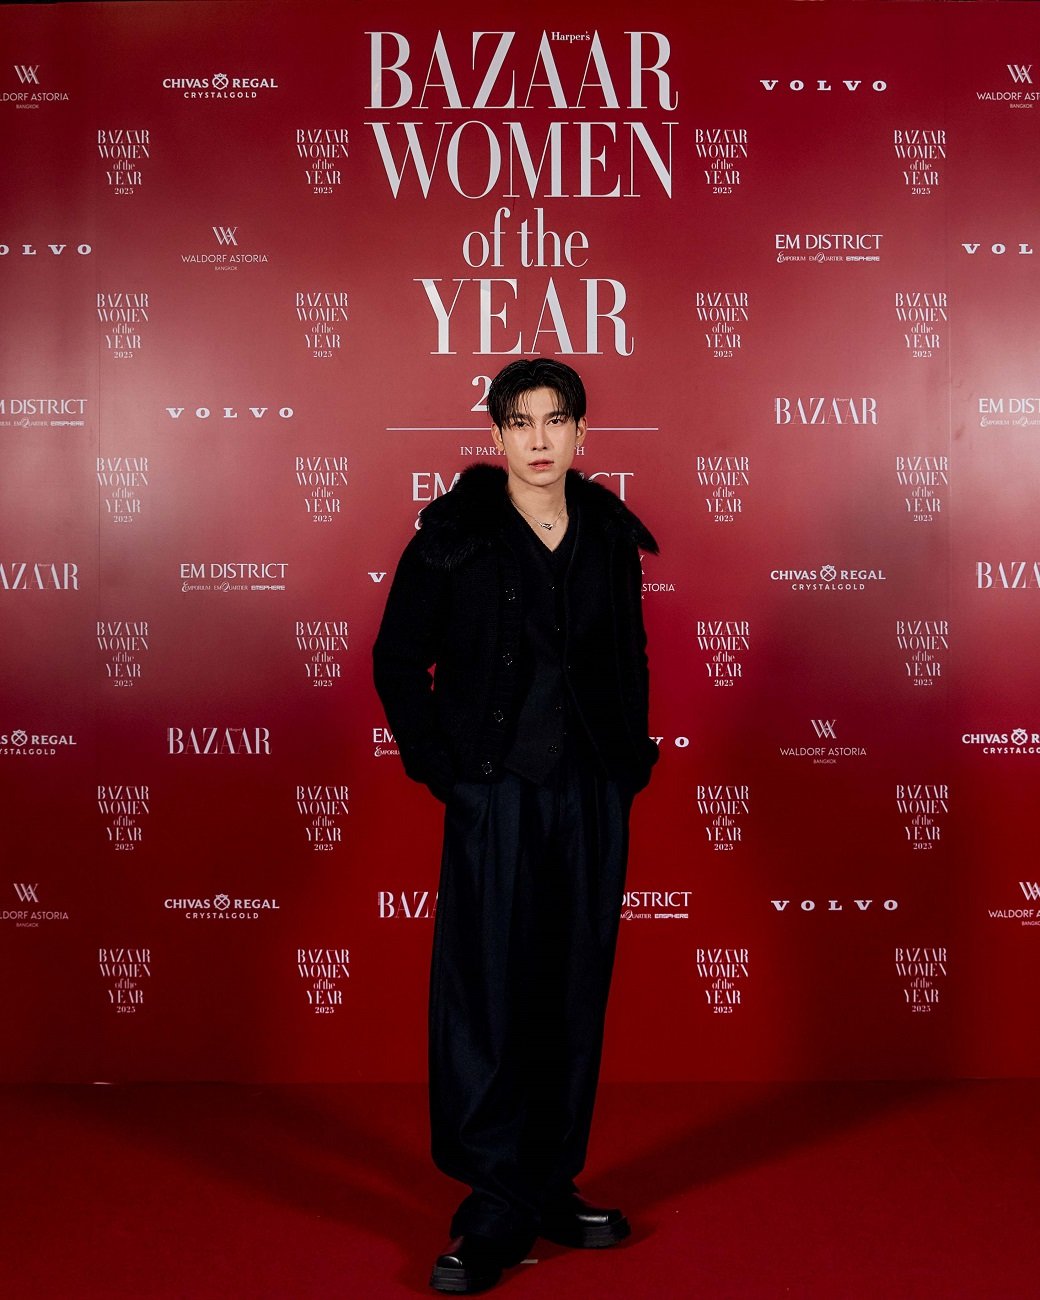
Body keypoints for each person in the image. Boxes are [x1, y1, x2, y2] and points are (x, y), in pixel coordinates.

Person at [373, 357, 658, 1294]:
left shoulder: (609, 535)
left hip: (591, 795)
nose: (539, 440)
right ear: (496, 436)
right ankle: (494, 1199)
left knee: (572, 986)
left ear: (581, 433)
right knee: (487, 987)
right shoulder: (455, 536)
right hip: (495, 793)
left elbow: (629, 654)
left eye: (555, 420)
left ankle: (547, 1179)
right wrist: (444, 771)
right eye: (521, 422)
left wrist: (627, 765)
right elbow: (395, 658)